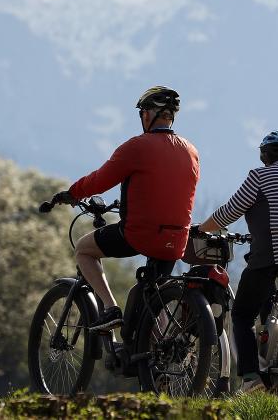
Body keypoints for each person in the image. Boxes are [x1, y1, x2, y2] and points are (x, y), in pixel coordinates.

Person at [51, 86, 200, 331]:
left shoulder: (137, 147)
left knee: (84, 250)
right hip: (177, 239)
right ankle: (160, 355)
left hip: (141, 235)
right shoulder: (191, 151)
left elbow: (101, 179)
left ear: (148, 115)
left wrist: (72, 193)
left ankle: (110, 309)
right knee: (152, 295)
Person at [196, 130, 278, 393]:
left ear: (265, 154)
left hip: (275, 251)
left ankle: (252, 377)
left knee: (241, 314)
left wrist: (201, 229)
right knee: (267, 299)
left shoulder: (260, 176)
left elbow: (230, 211)